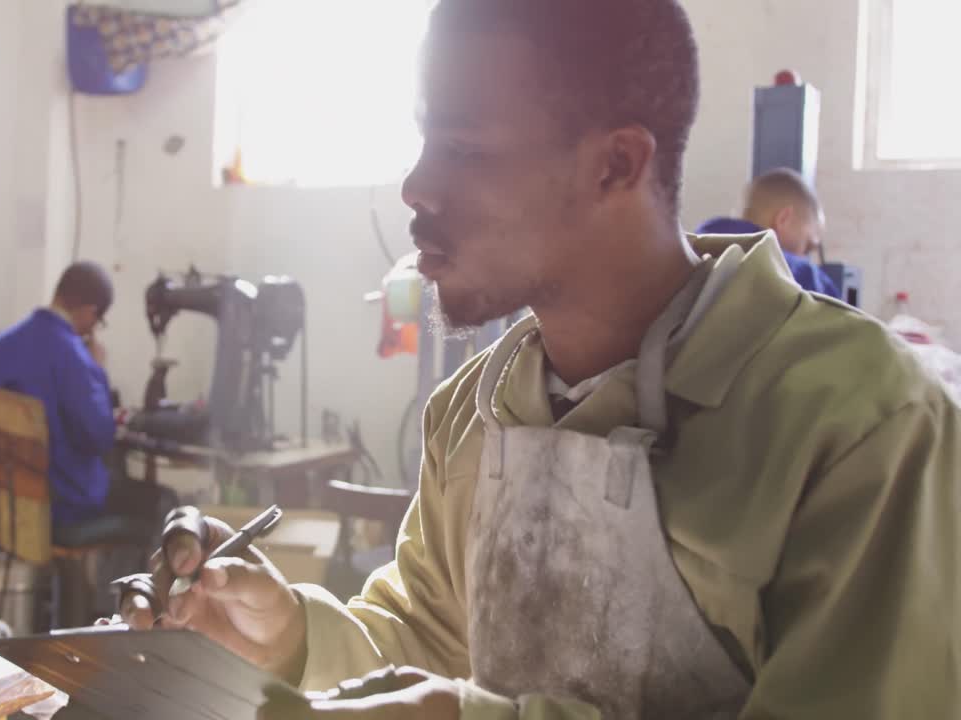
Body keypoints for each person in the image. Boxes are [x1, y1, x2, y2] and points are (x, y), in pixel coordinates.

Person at [116, 1, 960, 718]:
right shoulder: (477, 412)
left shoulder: (860, 425)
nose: (415, 185)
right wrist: (291, 633)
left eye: (466, 149)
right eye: (423, 141)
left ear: (615, 165)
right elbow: (426, 637)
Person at [0, 261, 117, 526]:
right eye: (97, 321)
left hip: (6, 498)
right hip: (61, 504)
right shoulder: (75, 357)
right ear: (90, 312)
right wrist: (99, 372)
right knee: (156, 500)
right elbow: (98, 437)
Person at [698, 167, 841, 298]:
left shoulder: (693, 251)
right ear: (784, 219)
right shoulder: (802, 276)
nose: (805, 256)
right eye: (807, 246)